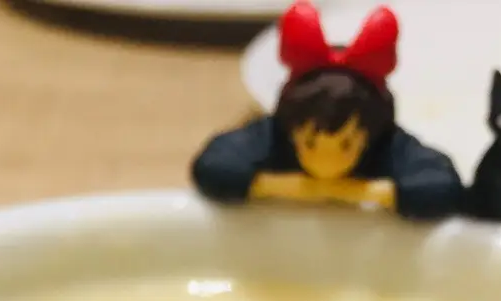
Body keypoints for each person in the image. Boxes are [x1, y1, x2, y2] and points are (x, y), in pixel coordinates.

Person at [191, 2, 465, 221]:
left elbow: (440, 187)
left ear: (369, 135)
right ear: (291, 128)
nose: (326, 161)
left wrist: (352, 191)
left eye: (346, 145)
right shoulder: (273, 135)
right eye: (310, 143)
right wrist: (296, 188)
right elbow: (214, 168)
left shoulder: (387, 145)